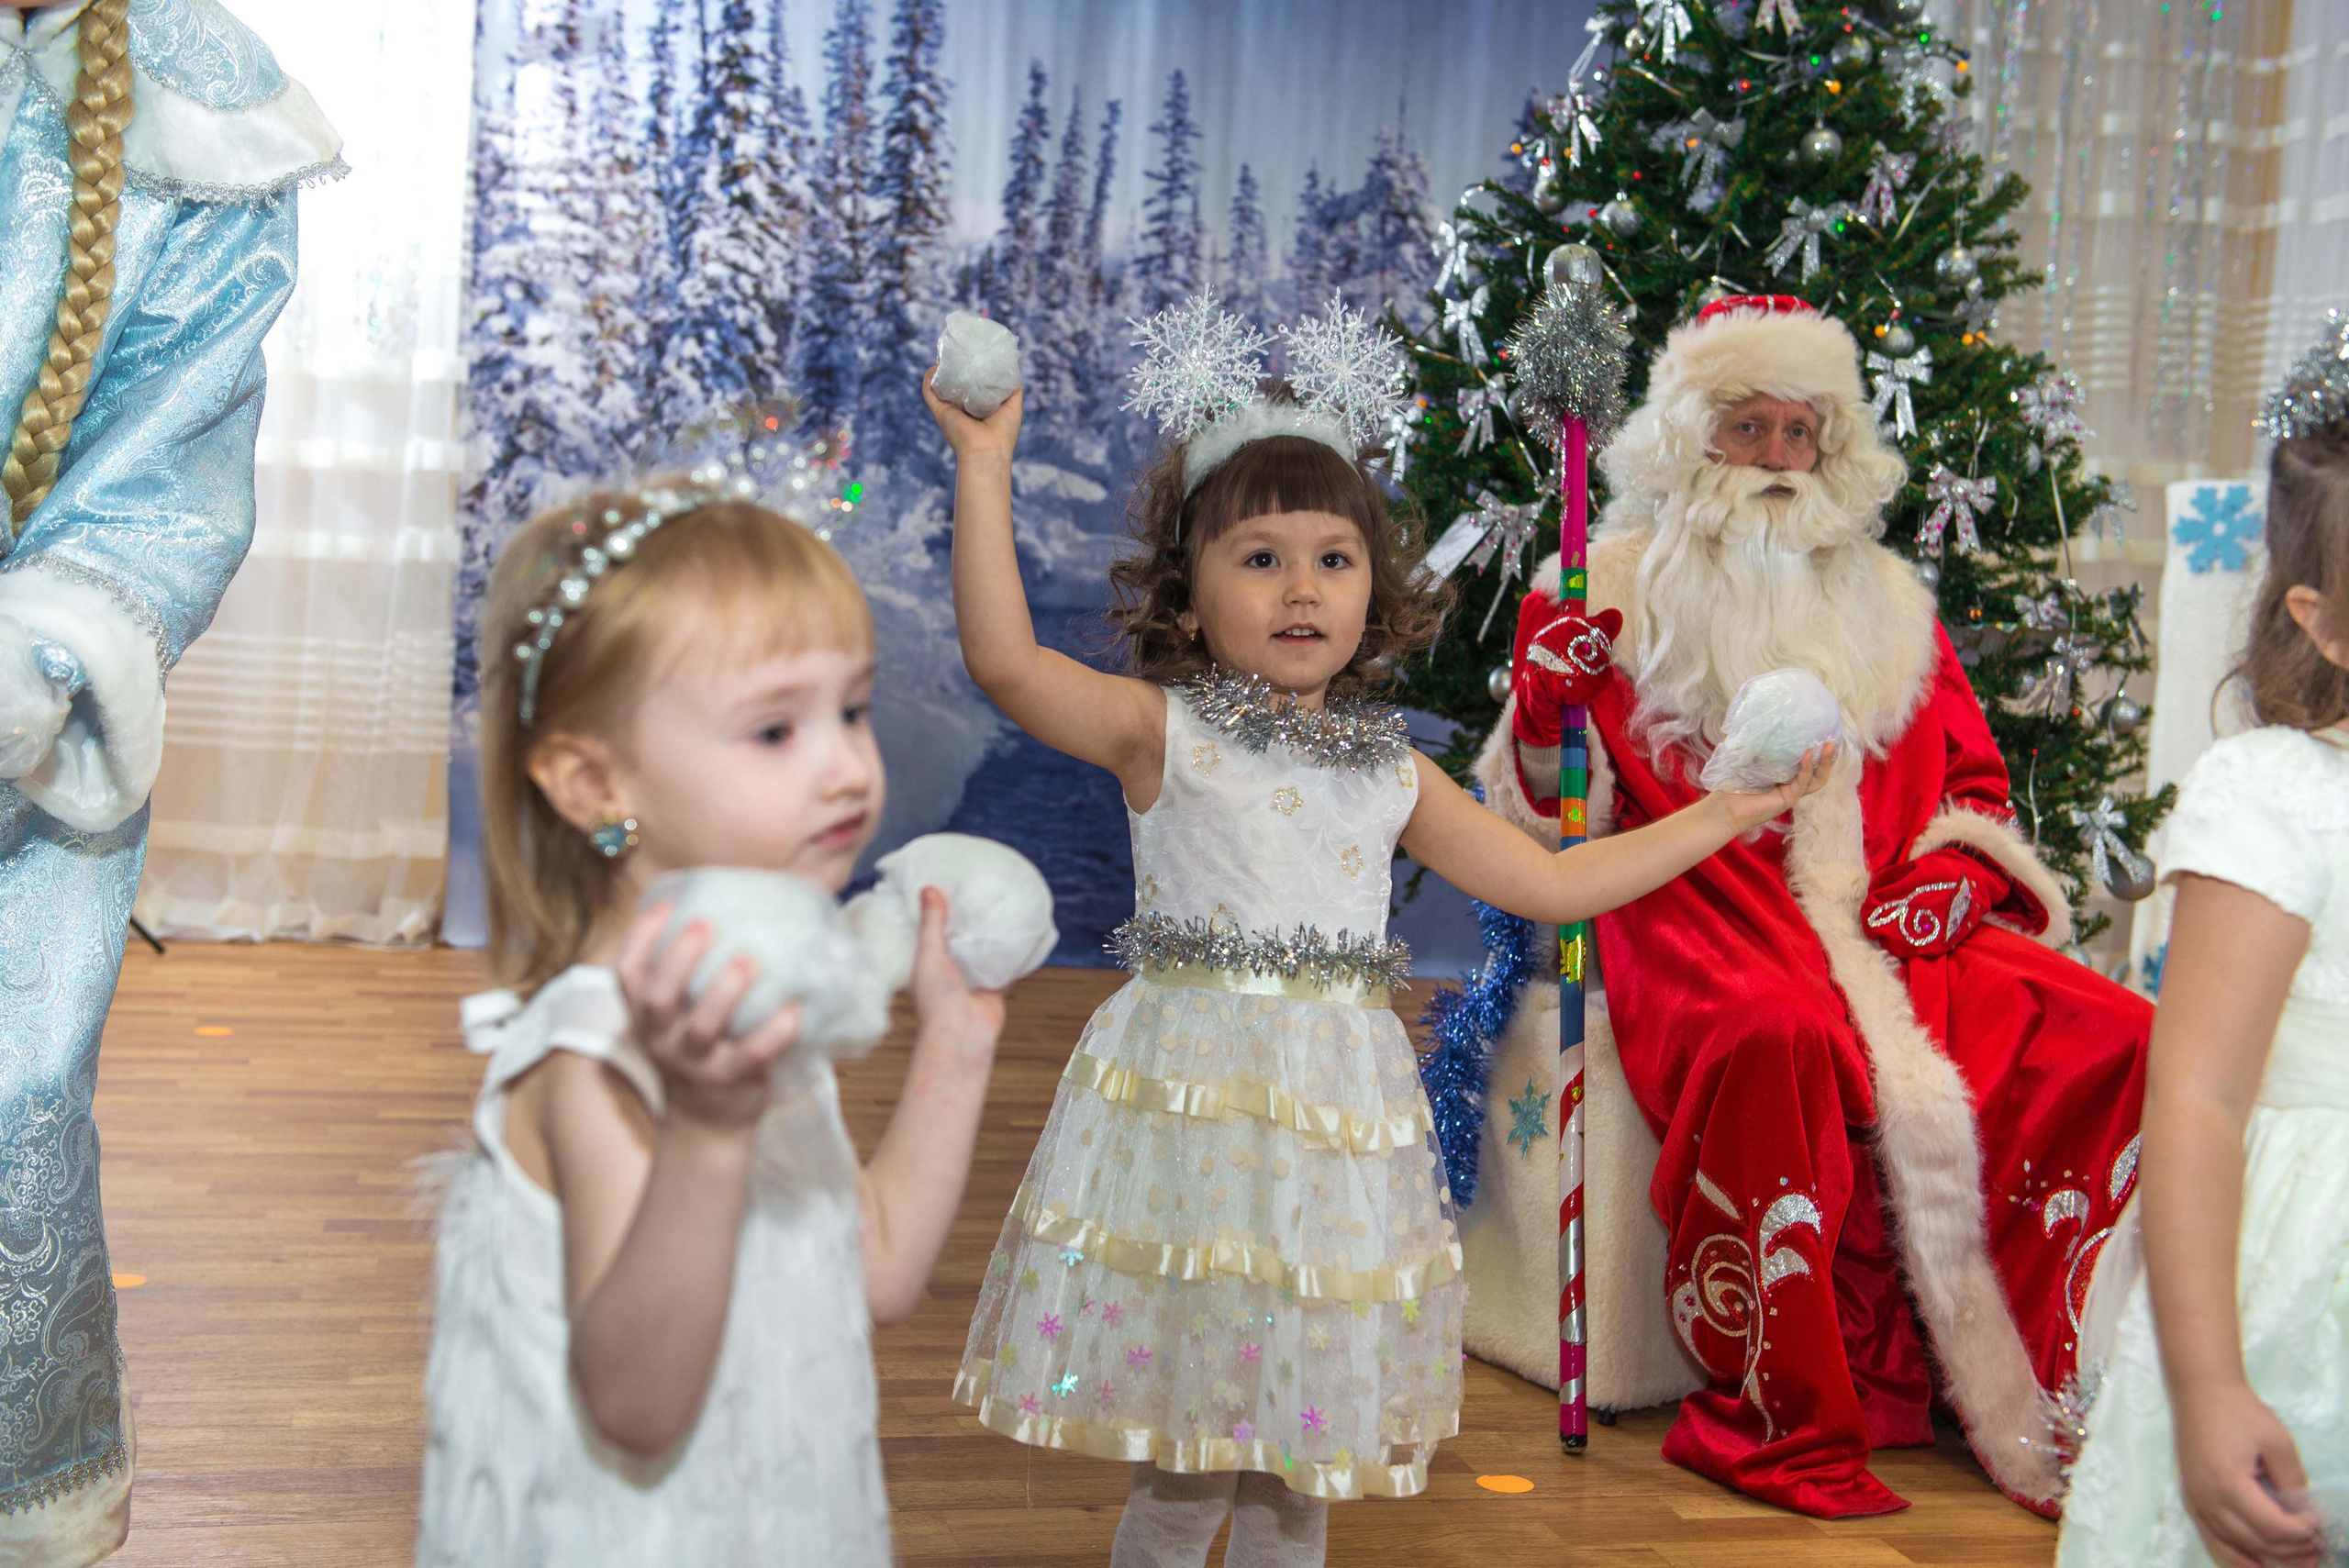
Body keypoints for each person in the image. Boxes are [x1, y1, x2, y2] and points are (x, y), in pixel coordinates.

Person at [923, 292, 1831, 1568]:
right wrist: (983, 462)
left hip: (1333, 1149)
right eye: (1261, 558)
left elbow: (1552, 883)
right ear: (1191, 586)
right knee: (1190, 1473)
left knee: (1304, 1470)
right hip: (1197, 1142)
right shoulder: (1160, 732)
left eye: (1334, 559)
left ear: (1372, 589)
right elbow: (1006, 661)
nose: (1303, 588)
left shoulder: (1390, 771)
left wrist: (1726, 815)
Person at [1482, 295, 2152, 1518]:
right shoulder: (1602, 582)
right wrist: (1543, 707)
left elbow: (1972, 781)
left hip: (1895, 916)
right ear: (1693, 440)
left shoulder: (1894, 604)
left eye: (1805, 431)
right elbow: (1536, 817)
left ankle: (2080, 1379)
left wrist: (1960, 873)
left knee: (2111, 1029)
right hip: (1690, 901)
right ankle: (1781, 1409)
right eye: (1751, 427)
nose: (1781, 458)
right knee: (1777, 1034)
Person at [414, 480, 1008, 1565]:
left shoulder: (739, 1008)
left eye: (853, 709)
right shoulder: (593, 1054)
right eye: (776, 727)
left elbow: (871, 1268)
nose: (846, 766)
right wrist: (710, 1127)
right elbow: (636, 1405)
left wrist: (955, 1050)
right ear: (595, 782)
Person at [0, 1, 340, 1558]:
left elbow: (165, 466)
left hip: (14, 737)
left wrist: (36, 659)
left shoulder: (203, 119)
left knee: (10, 1101)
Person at [2058, 323, 2349, 1568]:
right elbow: (2199, 1100)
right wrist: (2209, 1384)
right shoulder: (2279, 793)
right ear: (2324, 623)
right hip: (2301, 1294)